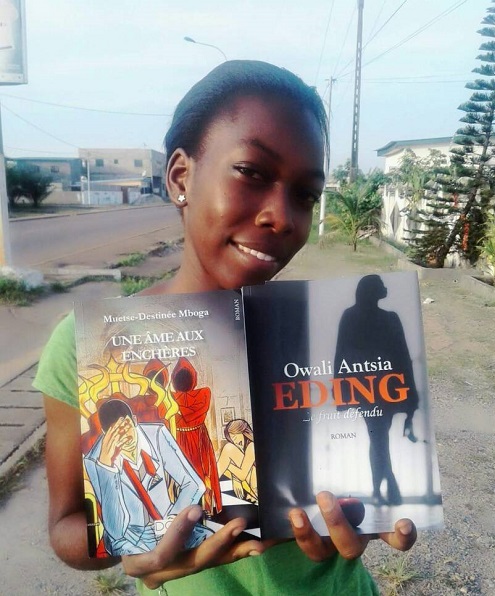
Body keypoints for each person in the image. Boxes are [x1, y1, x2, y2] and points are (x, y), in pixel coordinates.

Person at [34, 60, 416, 595]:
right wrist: (131, 547)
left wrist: (368, 513)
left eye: (306, 195)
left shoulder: (311, 336)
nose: (283, 216)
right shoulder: (89, 345)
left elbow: (346, 478)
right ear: (180, 177)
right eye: (251, 173)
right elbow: (66, 527)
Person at [83, 398, 211, 556]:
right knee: (147, 558)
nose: (125, 436)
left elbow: (194, 484)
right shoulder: (94, 461)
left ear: (134, 420)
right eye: (116, 432)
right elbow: (116, 531)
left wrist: (173, 518)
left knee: (210, 539)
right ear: (106, 434)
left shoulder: (157, 435)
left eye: (126, 426)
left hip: (169, 522)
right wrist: (107, 467)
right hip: (130, 537)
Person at [333, 275, 419, 507]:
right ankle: (386, 486)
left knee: (379, 437)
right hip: (379, 388)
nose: (385, 288)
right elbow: (402, 357)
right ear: (373, 290)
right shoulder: (385, 318)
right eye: (381, 285)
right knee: (379, 436)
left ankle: (381, 489)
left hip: (373, 388)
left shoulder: (356, 316)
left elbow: (341, 355)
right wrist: (410, 393)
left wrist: (340, 390)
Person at [170, 357, 222, 516]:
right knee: (203, 472)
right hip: (199, 437)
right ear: (193, 378)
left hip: (179, 439)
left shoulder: (170, 397)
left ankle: (184, 510)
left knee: (182, 474)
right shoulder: (204, 393)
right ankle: (206, 508)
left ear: (174, 380)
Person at [216, 419, 258, 503]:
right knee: (229, 447)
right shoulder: (243, 447)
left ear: (243, 432)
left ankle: (212, 481)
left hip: (257, 490)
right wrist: (235, 479)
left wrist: (228, 465)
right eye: (231, 438)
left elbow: (242, 475)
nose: (234, 441)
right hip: (252, 489)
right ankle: (212, 480)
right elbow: (242, 470)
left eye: (235, 436)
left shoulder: (251, 446)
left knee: (228, 448)